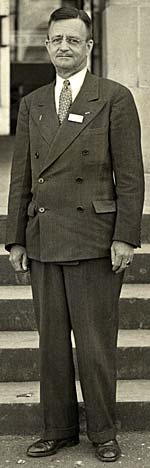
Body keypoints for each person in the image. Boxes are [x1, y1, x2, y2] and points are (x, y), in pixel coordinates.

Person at [5, 6, 144, 463]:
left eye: (73, 40)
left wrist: (125, 236)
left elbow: (130, 176)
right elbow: (22, 177)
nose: (63, 47)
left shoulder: (115, 97)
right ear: (46, 47)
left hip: (95, 239)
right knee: (51, 345)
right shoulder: (34, 103)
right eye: (56, 40)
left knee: (95, 342)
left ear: (89, 47)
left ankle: (103, 431)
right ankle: (58, 429)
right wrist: (15, 239)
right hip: (44, 236)